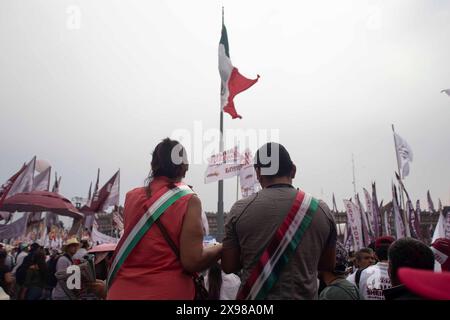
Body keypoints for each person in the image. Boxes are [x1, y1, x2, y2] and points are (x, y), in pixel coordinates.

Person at [107, 138, 222, 300]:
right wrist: (221, 248)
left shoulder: (131, 197)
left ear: (153, 166)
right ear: (183, 168)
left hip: (121, 292)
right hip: (167, 292)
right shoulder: (189, 200)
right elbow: (193, 261)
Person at [222, 142, 337, 300]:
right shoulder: (322, 211)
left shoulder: (240, 210)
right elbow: (328, 265)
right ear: (293, 170)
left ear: (258, 172)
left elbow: (229, 266)